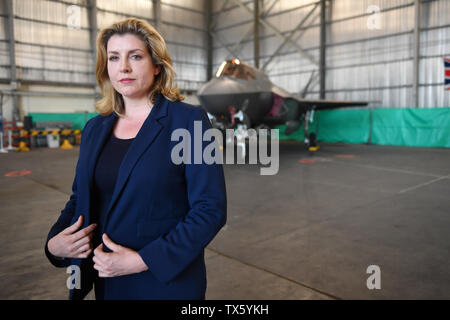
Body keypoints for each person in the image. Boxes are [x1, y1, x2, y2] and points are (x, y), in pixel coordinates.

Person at [45, 18, 227, 300]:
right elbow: (79, 198)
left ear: (157, 66)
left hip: (162, 284)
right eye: (114, 58)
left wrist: (142, 260)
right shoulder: (95, 128)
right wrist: (54, 244)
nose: (124, 67)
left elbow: (210, 209)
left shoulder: (189, 121)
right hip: (105, 279)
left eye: (136, 56)